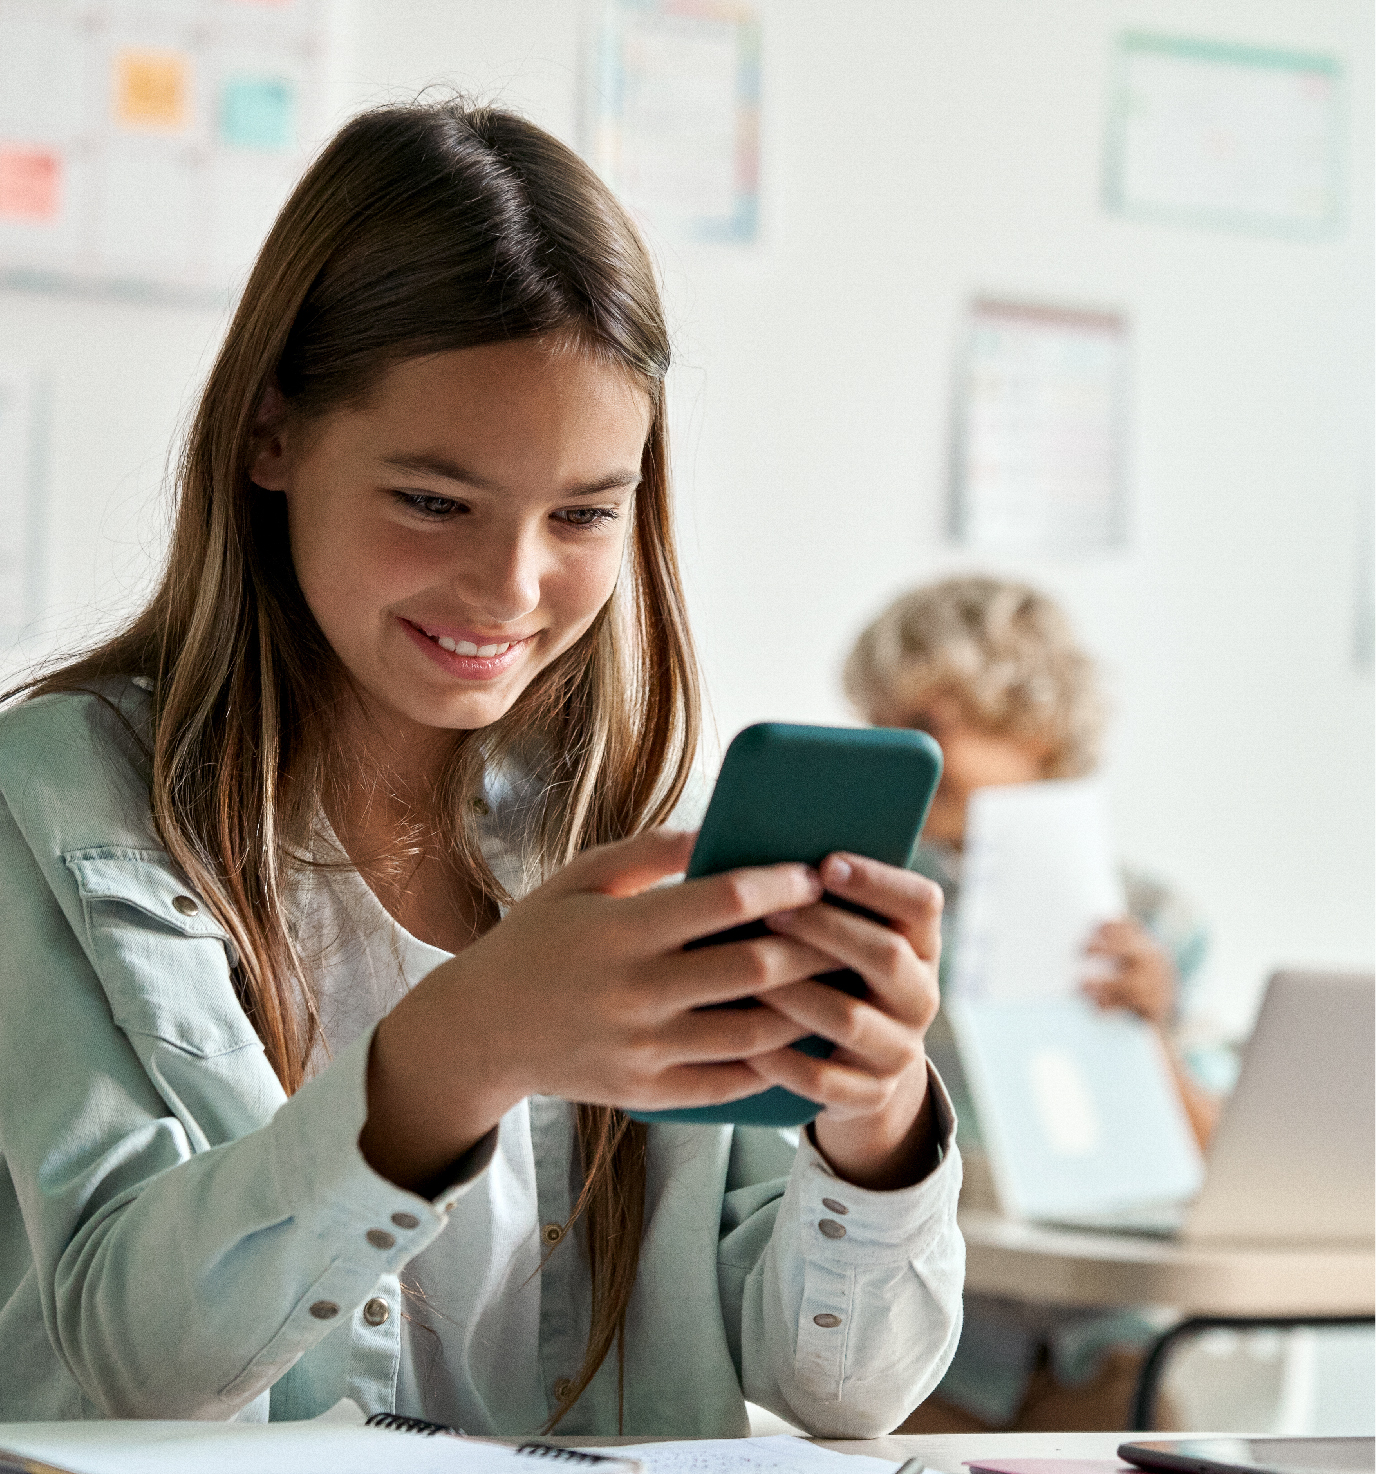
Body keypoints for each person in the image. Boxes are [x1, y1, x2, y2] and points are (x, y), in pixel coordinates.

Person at [0, 102, 964, 1434]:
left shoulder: (644, 837)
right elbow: (133, 1355)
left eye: (581, 513)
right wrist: (459, 1051)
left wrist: (879, 1114)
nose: (511, 585)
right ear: (272, 435)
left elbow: (841, 1389)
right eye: (435, 502)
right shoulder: (60, 798)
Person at [843, 575, 1230, 1433]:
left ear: (1040, 728)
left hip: (1105, 1347)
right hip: (931, 1353)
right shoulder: (868, 900)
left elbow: (1220, 1165)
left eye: (933, 725)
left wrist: (1152, 1031)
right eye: (884, 725)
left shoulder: (1150, 923)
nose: (907, 753)